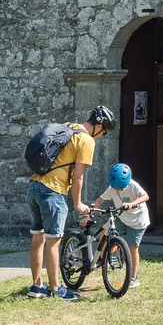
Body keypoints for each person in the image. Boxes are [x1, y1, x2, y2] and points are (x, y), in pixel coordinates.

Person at [28, 105, 115, 301]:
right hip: (53, 192)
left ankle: (36, 286)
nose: (103, 135)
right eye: (105, 131)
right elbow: (77, 177)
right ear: (99, 125)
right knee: (53, 241)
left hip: (35, 185)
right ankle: (56, 288)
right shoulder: (86, 140)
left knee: (38, 238)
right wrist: (78, 203)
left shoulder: (69, 127)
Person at [97, 162, 151, 284]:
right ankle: (109, 258)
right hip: (122, 217)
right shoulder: (112, 188)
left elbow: (145, 196)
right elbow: (100, 200)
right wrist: (91, 210)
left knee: (133, 248)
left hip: (137, 221)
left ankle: (133, 278)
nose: (118, 190)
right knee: (106, 236)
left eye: (121, 188)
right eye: (116, 187)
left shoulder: (133, 185)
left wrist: (132, 204)